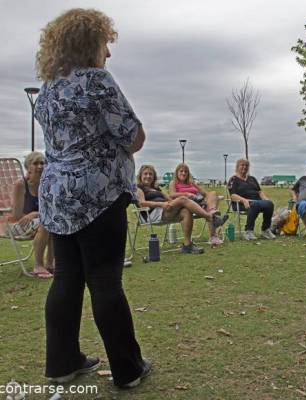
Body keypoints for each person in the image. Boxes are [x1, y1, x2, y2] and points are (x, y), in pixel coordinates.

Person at [35, 8, 150, 388]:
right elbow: (132, 136)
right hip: (98, 194)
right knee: (105, 281)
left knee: (66, 277)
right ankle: (128, 369)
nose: (109, 54)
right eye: (105, 44)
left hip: (57, 195)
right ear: (89, 44)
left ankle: (62, 363)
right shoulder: (97, 81)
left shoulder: (49, 88)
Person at [137, 165, 227, 253]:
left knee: (186, 211)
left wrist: (176, 203)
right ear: (140, 176)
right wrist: (161, 204)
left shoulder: (156, 188)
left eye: (150, 174)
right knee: (183, 199)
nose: (148, 176)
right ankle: (210, 217)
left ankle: (187, 246)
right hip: (153, 214)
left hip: (165, 209)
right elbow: (141, 203)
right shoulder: (138, 188)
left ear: (154, 176)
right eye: (145, 174)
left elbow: (169, 199)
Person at [11, 152, 54, 278]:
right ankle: (38, 265)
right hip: (17, 225)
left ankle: (50, 264)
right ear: (28, 167)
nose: (40, 166)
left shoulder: (47, 184)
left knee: (53, 222)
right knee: (46, 223)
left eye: (42, 163)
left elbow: (51, 210)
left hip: (39, 221)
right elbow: (17, 215)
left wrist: (35, 214)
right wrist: (38, 215)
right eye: (35, 163)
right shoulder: (20, 185)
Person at [169, 163, 228, 245]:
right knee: (208, 209)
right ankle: (214, 225)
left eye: (186, 171)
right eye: (181, 171)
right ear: (177, 172)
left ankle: (213, 214)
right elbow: (172, 194)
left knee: (213, 194)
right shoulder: (173, 183)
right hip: (187, 205)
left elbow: (204, 193)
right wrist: (186, 194)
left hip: (199, 202)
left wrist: (213, 197)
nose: (183, 173)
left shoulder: (191, 183)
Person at [227, 159, 275, 240]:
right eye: (242, 165)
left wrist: (266, 200)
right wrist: (244, 200)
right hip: (241, 204)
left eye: (246, 165)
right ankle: (248, 231)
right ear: (237, 167)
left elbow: (259, 192)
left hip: (256, 202)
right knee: (254, 205)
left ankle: (265, 230)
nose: (244, 167)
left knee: (270, 204)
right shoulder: (233, 179)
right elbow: (233, 196)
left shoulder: (252, 179)